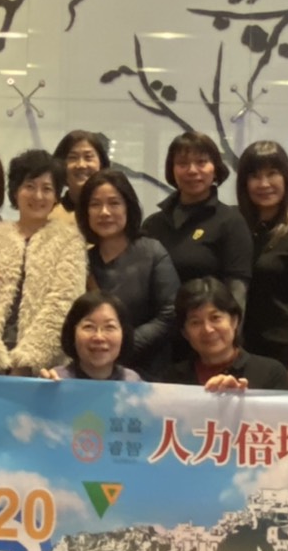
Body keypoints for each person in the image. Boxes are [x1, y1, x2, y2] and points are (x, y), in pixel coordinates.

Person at [0, 149, 88, 374]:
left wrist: (28, 360)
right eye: (30, 186)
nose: (38, 196)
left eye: (47, 189)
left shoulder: (70, 240)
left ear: (56, 196)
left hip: (46, 368)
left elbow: (63, 303)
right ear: (16, 191)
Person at [143, 132, 253, 326]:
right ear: (172, 170)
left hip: (208, 333)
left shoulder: (231, 222)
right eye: (182, 163)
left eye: (201, 162)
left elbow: (237, 293)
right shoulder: (152, 225)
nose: (192, 170)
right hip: (158, 334)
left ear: (215, 169)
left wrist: (229, 336)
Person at [77, 169, 178, 375]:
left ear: (128, 208)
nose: (104, 212)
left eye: (114, 203)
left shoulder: (152, 252)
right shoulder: (80, 261)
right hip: (92, 373)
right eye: (95, 204)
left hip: (148, 372)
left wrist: (122, 345)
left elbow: (171, 313)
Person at [235, 140, 288, 365]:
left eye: (272, 174)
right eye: (255, 176)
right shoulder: (235, 225)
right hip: (238, 346)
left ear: (286, 178)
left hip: (287, 349)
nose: (264, 184)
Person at [167, 277, 288, 390]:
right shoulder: (171, 379)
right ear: (185, 333)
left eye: (215, 318)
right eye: (195, 322)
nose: (207, 329)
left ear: (234, 321)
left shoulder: (270, 373)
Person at [43, 291, 143, 381]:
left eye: (109, 327)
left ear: (123, 334)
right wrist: (42, 390)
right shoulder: (57, 379)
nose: (99, 337)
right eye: (89, 327)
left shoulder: (132, 382)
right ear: (72, 333)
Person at [51, 129, 110, 225]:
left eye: (88, 157)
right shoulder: (49, 213)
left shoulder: (112, 212)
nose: (81, 165)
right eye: (73, 157)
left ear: (101, 163)